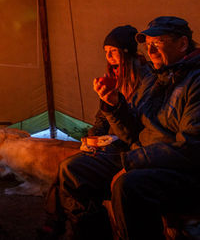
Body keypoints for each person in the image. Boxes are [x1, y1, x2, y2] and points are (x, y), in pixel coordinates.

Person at [42, 16, 200, 240]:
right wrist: (113, 105)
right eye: (148, 44)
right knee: (73, 169)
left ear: (182, 44)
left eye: (158, 42)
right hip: (143, 157)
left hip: (180, 171)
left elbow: (191, 149)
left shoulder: (195, 82)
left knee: (128, 185)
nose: (151, 50)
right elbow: (135, 130)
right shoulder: (158, 79)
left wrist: (131, 161)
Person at [40, 25, 150, 239]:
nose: (108, 57)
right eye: (106, 52)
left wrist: (114, 107)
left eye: (113, 51)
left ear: (126, 52)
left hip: (129, 148)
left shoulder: (145, 80)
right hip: (110, 144)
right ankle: (63, 222)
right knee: (67, 165)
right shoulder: (112, 77)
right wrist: (92, 138)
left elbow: (135, 130)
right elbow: (102, 118)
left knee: (70, 169)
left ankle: (72, 226)